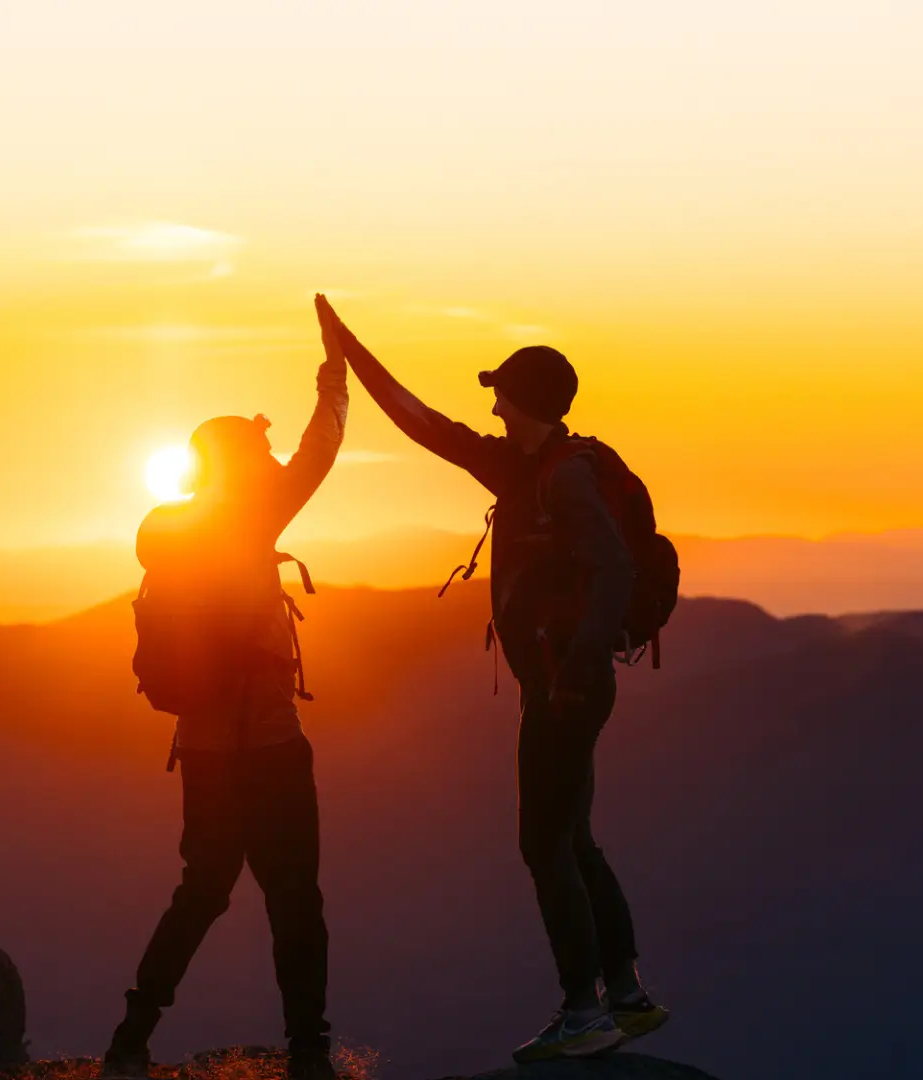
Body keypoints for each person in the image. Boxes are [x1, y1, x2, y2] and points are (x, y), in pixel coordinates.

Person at [316, 295, 669, 1063]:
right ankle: (627, 995)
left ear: (523, 400)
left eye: (502, 390)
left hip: (564, 688)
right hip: (571, 681)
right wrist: (349, 351)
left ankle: (585, 1012)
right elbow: (425, 424)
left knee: (543, 845)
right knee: (573, 838)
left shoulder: (560, 480)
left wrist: (571, 673)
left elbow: (612, 569)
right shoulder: (526, 466)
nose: (493, 401)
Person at [102, 298, 349, 1080]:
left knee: (201, 890)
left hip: (203, 748)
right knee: (294, 902)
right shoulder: (254, 517)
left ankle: (131, 1038)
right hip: (270, 742)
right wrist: (334, 374)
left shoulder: (171, 535)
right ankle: (308, 1049)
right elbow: (323, 446)